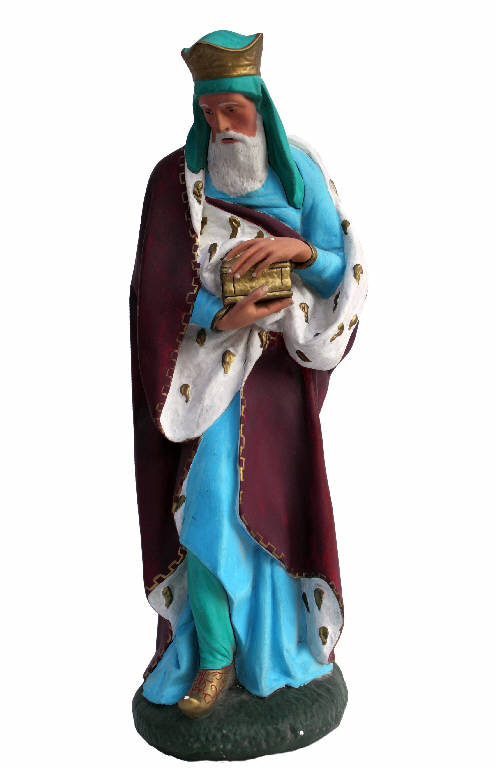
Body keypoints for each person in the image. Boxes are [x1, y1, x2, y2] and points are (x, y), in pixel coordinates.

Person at [130, 30, 367, 719]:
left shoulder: (300, 171)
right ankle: (213, 656)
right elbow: (153, 292)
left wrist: (298, 253)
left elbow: (342, 267)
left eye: (233, 110)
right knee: (205, 511)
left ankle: (275, 651)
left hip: (277, 385)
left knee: (276, 509)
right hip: (205, 380)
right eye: (209, 113)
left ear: (260, 104)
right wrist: (222, 314)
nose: (222, 127)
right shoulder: (173, 183)